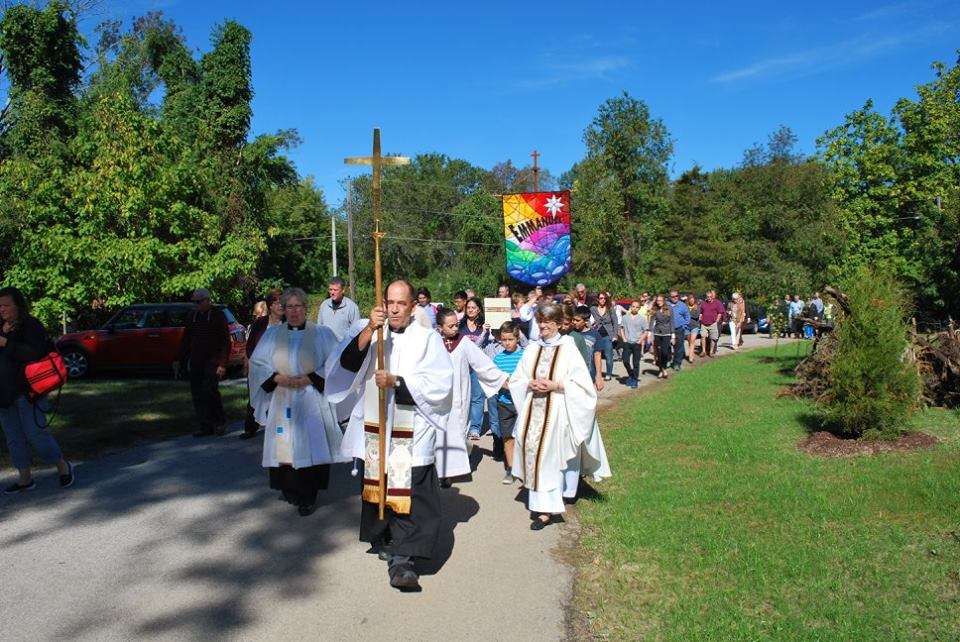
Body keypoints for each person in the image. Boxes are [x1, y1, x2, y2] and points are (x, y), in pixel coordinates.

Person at [325, 280, 454, 592]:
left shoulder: (427, 339)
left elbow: (441, 383)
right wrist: (370, 328)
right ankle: (383, 537)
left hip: (410, 423)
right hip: (375, 420)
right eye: (390, 302)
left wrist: (398, 380)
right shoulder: (372, 332)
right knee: (378, 484)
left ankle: (403, 559)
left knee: (406, 488)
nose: (394, 308)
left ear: (412, 307)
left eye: (401, 303)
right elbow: (346, 364)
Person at [508, 302, 608, 530]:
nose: (542, 326)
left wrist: (556, 385)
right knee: (533, 452)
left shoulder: (569, 347)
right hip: (533, 411)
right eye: (539, 321)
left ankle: (545, 510)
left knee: (548, 458)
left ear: (557, 324)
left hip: (557, 412)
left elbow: (582, 384)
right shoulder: (532, 348)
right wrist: (528, 383)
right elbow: (517, 378)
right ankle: (541, 503)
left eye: (546, 322)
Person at [249, 289, 345, 515]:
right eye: (289, 307)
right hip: (283, 397)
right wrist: (276, 377)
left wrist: (312, 376)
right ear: (283, 309)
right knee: (286, 445)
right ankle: (290, 489)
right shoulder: (273, 335)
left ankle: (308, 495)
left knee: (310, 444)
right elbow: (257, 363)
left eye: (298, 306)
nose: (294, 311)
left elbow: (336, 361)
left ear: (306, 307)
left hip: (311, 399)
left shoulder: (322, 334)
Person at [0, 287, 74, 493]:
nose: (2, 309)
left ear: (18, 305)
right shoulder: (1, 327)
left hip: (28, 393)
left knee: (36, 434)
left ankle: (62, 466)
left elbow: (34, 354)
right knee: (14, 437)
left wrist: (6, 342)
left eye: (6, 305)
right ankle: (25, 479)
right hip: (4, 395)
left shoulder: (30, 325)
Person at [434, 309, 507, 486]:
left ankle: (449, 472)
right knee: (438, 434)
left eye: (456, 325)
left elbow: (483, 365)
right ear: (440, 327)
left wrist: (504, 380)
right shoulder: (432, 343)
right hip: (437, 398)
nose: (454, 328)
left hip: (459, 398)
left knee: (457, 432)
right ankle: (439, 470)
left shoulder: (464, 343)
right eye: (450, 326)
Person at [176, 288, 230, 437]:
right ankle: (205, 426)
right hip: (196, 361)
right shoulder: (192, 316)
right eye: (195, 302)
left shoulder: (217, 316)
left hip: (213, 361)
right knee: (197, 394)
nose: (197, 305)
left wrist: (222, 364)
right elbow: (186, 339)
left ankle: (220, 421)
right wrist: (179, 358)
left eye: (199, 302)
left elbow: (226, 341)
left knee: (210, 391)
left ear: (207, 300)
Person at [241, 289, 284, 440]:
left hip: (278, 369)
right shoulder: (260, 323)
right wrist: (250, 361)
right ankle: (250, 427)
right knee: (254, 396)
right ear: (270, 306)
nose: (281, 305)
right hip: (258, 368)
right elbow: (250, 344)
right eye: (277, 302)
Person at [492, 321, 524, 484]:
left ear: (517, 338)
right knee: (507, 437)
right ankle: (510, 469)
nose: (507, 343)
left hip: (523, 403)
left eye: (510, 339)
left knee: (524, 437)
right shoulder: (498, 358)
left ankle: (525, 468)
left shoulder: (525, 355)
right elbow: (496, 379)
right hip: (504, 402)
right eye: (503, 340)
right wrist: (505, 383)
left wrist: (515, 384)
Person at [460, 296, 491, 441]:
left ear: (479, 310)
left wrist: (486, 332)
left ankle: (475, 428)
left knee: (477, 397)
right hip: (463, 366)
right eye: (469, 307)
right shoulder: (460, 325)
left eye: (474, 308)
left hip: (478, 366)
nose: (471, 310)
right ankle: (461, 425)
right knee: (462, 396)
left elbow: (482, 346)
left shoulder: (485, 326)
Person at [316, 276, 361, 341]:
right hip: (325, 348)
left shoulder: (351, 307)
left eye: (335, 290)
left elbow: (357, 331)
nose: (332, 293)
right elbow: (319, 328)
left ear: (343, 290)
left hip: (343, 348)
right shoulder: (324, 305)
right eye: (330, 290)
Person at [571, 307, 605, 391]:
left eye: (577, 320)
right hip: (572, 376)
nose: (574, 322)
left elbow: (597, 356)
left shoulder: (595, 335)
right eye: (573, 319)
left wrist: (599, 376)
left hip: (588, 375)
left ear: (586, 321)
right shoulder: (570, 334)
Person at [590, 291, 619, 381]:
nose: (603, 300)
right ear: (598, 299)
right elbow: (588, 319)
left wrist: (615, 335)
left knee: (608, 355)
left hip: (608, 335)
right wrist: (591, 326)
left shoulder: (610, 309)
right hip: (596, 335)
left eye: (604, 298)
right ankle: (594, 373)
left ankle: (608, 374)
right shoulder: (593, 309)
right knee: (595, 355)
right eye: (601, 298)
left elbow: (615, 322)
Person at [619, 300, 646, 388]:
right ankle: (631, 375)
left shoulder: (642, 319)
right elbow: (621, 328)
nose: (634, 308)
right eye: (633, 306)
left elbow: (646, 331)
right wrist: (623, 338)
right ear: (630, 307)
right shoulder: (625, 317)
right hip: (627, 342)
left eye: (636, 307)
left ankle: (634, 380)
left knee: (636, 363)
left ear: (639, 308)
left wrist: (640, 340)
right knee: (625, 360)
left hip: (636, 343)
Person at [650, 294, 674, 379]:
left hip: (667, 333)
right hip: (657, 333)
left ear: (664, 301)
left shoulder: (669, 308)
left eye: (660, 300)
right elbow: (652, 321)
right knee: (659, 353)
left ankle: (663, 368)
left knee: (665, 352)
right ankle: (662, 370)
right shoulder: (655, 309)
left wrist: (673, 334)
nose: (659, 302)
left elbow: (672, 321)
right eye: (657, 301)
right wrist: (650, 332)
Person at [698, 290, 726, 357]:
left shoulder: (717, 303)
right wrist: (700, 317)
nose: (709, 298)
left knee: (713, 338)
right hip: (704, 323)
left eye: (710, 296)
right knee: (703, 336)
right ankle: (703, 351)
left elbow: (720, 312)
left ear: (713, 296)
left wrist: (717, 320)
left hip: (713, 323)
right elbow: (701, 312)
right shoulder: (703, 303)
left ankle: (711, 352)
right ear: (706, 297)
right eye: (708, 297)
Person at [668, 290, 690, 370]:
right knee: (667, 347)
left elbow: (687, 317)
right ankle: (668, 360)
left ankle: (677, 363)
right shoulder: (666, 305)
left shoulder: (682, 305)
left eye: (676, 296)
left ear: (678, 296)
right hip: (668, 330)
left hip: (679, 329)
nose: (675, 298)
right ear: (670, 297)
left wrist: (684, 326)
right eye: (673, 296)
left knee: (679, 348)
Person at [686, 294, 702, 362]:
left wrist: (689, 313)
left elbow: (696, 316)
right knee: (689, 341)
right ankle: (692, 353)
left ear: (694, 300)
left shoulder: (697, 307)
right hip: (687, 326)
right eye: (690, 299)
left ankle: (690, 357)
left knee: (692, 341)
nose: (691, 301)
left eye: (693, 299)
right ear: (688, 300)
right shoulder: (685, 307)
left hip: (695, 326)